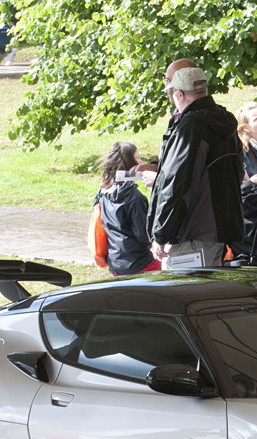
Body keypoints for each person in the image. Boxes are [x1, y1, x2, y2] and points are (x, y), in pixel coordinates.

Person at [147, 59, 244, 268]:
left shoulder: (191, 127)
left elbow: (177, 184)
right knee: (206, 296)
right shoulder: (224, 121)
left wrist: (162, 234)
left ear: (179, 94)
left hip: (188, 236)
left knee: (182, 298)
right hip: (214, 235)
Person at [95, 142, 159, 276]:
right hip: (140, 263)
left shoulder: (102, 193)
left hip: (115, 264)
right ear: (130, 162)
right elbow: (144, 235)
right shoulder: (135, 197)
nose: (141, 162)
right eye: (137, 158)